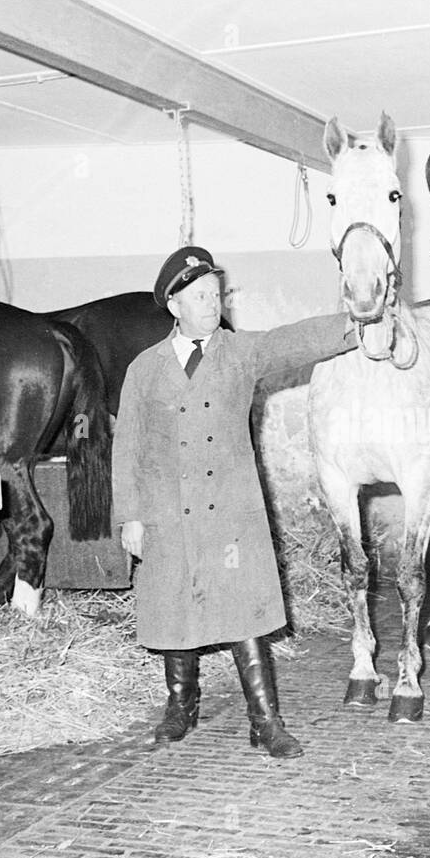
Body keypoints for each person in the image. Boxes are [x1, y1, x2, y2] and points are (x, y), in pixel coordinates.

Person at [113, 246, 357, 759]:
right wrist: (129, 515)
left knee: (245, 615)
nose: (211, 302)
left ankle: (265, 721)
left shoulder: (241, 351)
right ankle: (182, 706)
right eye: (199, 295)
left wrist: (358, 318)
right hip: (166, 510)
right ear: (174, 305)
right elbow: (127, 446)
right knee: (173, 608)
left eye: (216, 293)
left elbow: (292, 342)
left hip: (228, 513)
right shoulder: (144, 368)